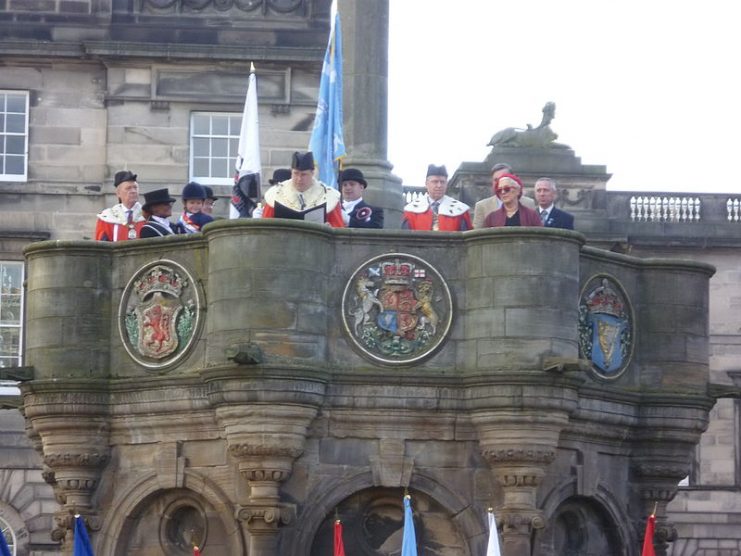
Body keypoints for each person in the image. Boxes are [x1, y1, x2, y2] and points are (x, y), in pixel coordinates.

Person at [261, 152, 345, 227]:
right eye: (296, 173)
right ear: (291, 172)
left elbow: (339, 232)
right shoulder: (276, 194)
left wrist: (329, 230)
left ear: (312, 173)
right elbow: (264, 229)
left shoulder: (329, 196)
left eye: (304, 175)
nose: (299, 179)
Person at [402, 164, 471, 231]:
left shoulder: (460, 211)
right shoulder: (411, 211)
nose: (439, 185)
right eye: (435, 182)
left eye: (442, 182)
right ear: (426, 184)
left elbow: (465, 240)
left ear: (447, 184)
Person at [473, 162, 536, 229]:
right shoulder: (482, 206)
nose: (499, 183)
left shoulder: (529, 203)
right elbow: (477, 235)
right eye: (496, 180)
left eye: (503, 178)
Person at [95, 170, 146, 241]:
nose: (133, 191)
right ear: (118, 193)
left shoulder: (147, 215)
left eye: (135, 187)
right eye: (128, 188)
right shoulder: (107, 218)